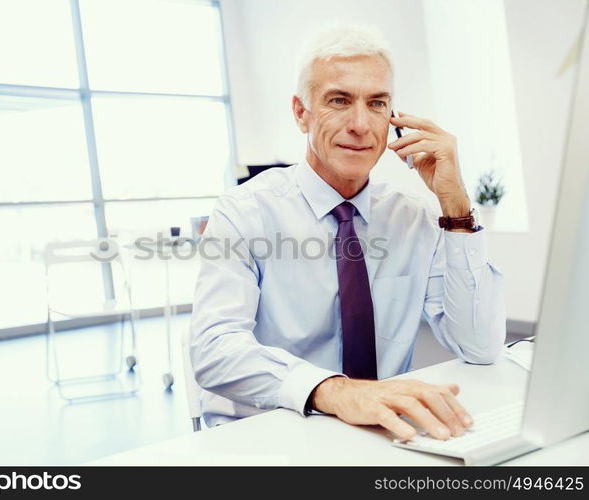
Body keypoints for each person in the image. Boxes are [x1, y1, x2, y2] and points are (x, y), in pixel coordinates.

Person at [189, 25, 505, 441]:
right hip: (270, 434)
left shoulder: (413, 217)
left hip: (382, 435)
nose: (360, 124)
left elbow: (480, 347)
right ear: (301, 112)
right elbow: (214, 350)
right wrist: (334, 392)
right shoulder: (245, 212)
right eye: (339, 100)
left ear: (393, 119)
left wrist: (456, 206)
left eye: (377, 104)